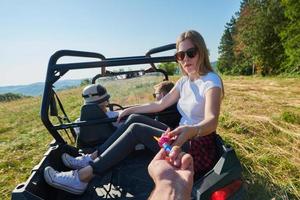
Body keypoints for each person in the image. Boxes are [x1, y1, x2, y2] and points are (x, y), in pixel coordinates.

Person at [44, 29, 224, 195]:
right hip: (180, 135)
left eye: (191, 53)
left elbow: (212, 121)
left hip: (196, 148)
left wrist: (192, 131)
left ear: (201, 51)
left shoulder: (211, 82)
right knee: (134, 118)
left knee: (137, 129)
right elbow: (159, 104)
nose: (185, 59)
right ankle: (91, 157)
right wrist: (130, 110)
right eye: (180, 55)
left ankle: (82, 177)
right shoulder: (184, 81)